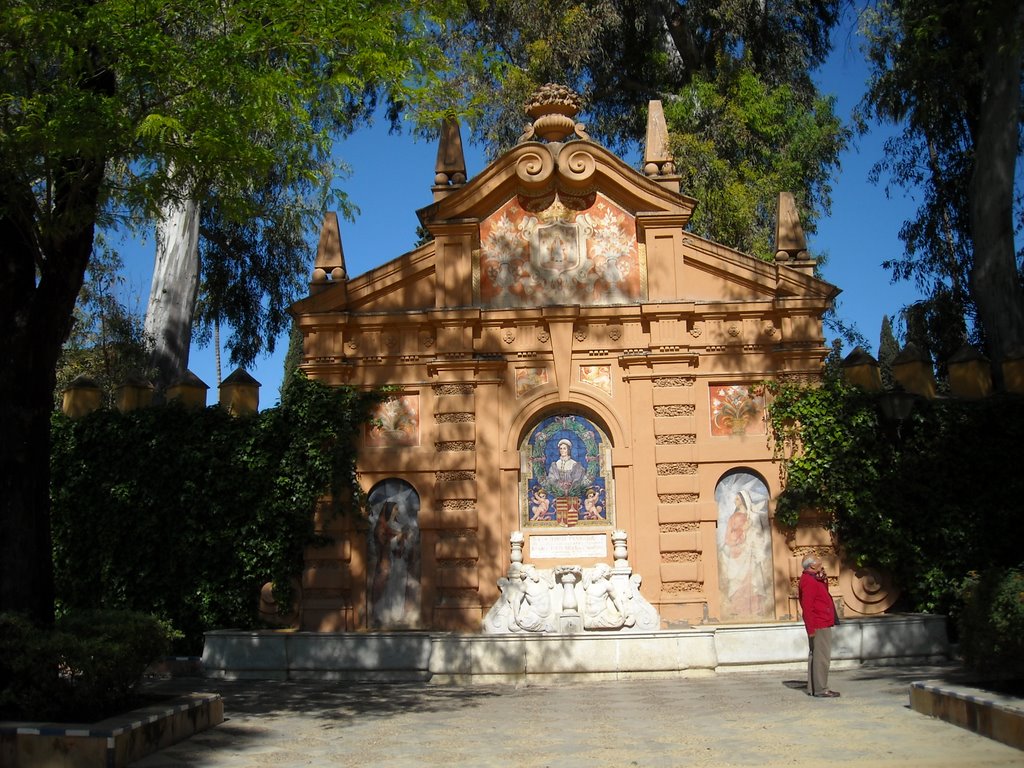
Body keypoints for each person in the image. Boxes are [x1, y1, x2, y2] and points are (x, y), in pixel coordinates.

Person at [799, 555, 840, 697]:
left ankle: (814, 688)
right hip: (819, 623)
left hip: (821, 620)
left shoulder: (813, 578)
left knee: (816, 655)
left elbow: (822, 595)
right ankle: (821, 689)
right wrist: (810, 628)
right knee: (821, 657)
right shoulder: (808, 581)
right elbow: (807, 606)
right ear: (811, 566)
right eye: (819, 564)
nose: (822, 566)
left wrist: (823, 579)